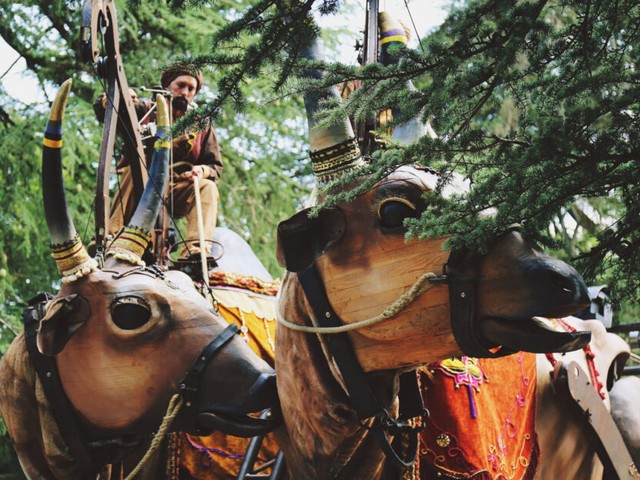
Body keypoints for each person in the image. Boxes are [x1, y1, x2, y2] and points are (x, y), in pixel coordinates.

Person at [94, 62, 223, 260]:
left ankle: (196, 253)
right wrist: (119, 97)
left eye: (191, 89)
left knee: (208, 187)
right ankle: (111, 237)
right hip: (142, 182)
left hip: (178, 185)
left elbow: (215, 165)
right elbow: (103, 111)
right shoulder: (145, 109)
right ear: (166, 86)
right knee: (137, 164)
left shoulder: (202, 125)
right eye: (180, 85)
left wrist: (202, 171)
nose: (185, 92)